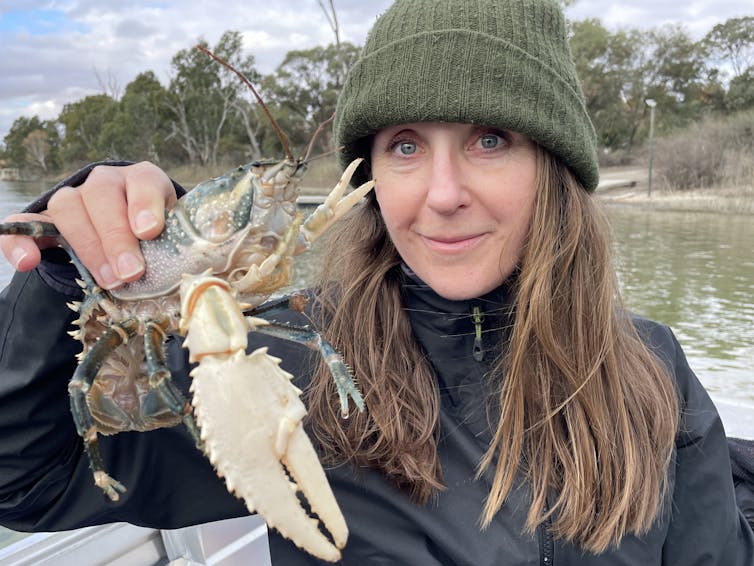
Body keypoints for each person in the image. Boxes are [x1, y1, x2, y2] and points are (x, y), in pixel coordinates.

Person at [1, 0, 753, 564]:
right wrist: (74, 269)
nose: (443, 192)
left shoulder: (653, 370)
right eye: (404, 146)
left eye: (491, 139)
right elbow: (24, 480)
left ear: (554, 168)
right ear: (369, 179)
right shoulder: (274, 361)